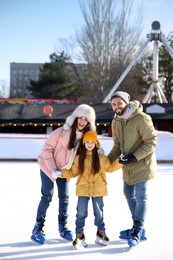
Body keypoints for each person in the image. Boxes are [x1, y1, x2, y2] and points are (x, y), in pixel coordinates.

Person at [31, 104, 96, 245]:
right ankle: (38, 228)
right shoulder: (60, 132)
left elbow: (87, 155)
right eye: (80, 117)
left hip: (65, 170)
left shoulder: (86, 138)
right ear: (75, 117)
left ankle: (63, 226)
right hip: (48, 166)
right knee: (47, 196)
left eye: (86, 119)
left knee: (64, 197)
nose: (82, 121)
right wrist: (52, 169)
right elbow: (46, 150)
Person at [52, 130, 123, 249]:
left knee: (99, 213)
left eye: (92, 142)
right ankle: (79, 236)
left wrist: (120, 161)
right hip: (83, 189)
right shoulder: (79, 157)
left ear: (96, 143)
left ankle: (101, 233)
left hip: (98, 190)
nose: (89, 144)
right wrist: (60, 173)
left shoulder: (101, 158)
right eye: (87, 142)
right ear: (84, 143)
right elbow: (73, 172)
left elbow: (110, 168)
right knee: (81, 213)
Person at [107, 91, 157, 248]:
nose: (116, 107)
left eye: (119, 103)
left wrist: (133, 157)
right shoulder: (115, 122)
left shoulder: (141, 118)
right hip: (127, 166)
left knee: (141, 195)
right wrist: (106, 161)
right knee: (128, 194)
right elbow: (117, 146)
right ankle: (138, 226)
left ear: (126, 103)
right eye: (114, 104)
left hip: (142, 164)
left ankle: (137, 230)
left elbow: (151, 142)